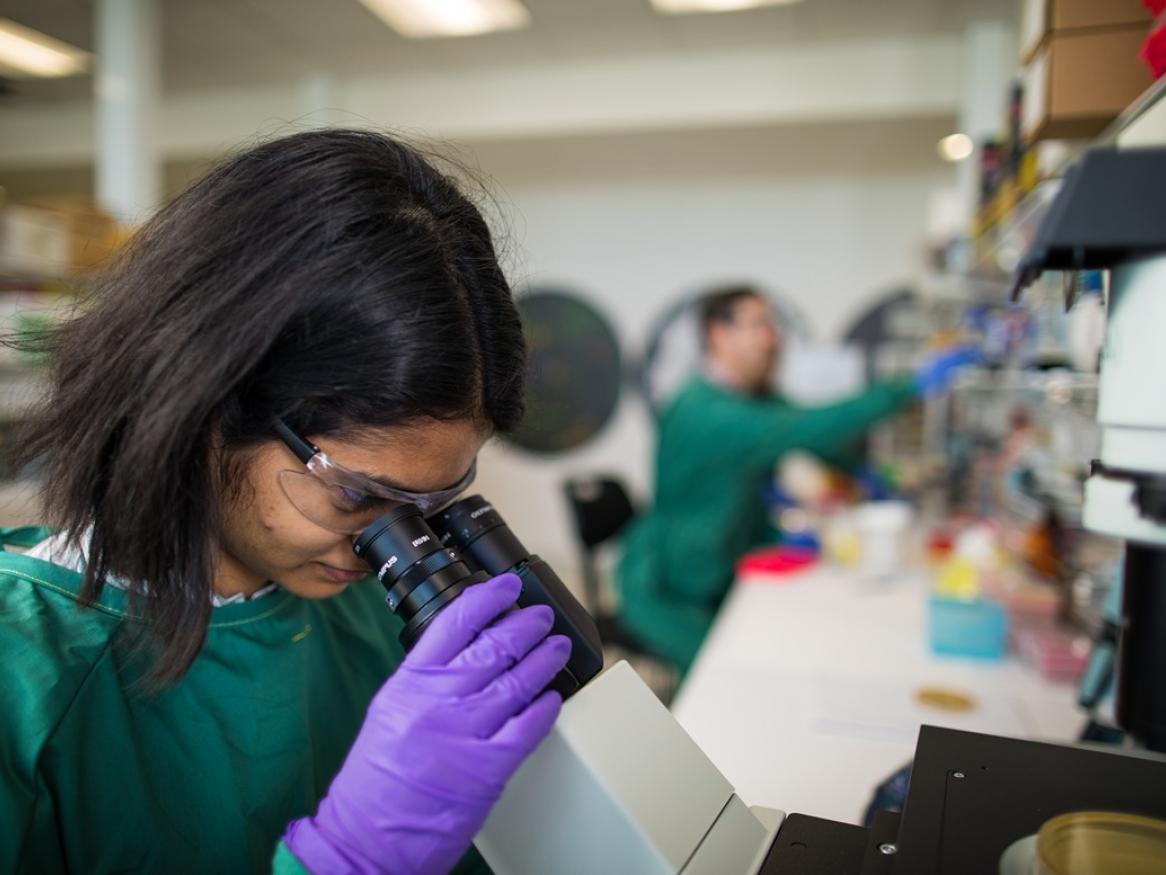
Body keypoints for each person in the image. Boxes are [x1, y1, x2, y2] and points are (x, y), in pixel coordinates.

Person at [0, 130, 571, 875]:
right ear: (204, 403)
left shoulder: (358, 609)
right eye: (358, 493)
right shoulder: (24, 673)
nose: (384, 544)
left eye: (433, 499)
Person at [617, 286, 975, 673]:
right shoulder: (704, 411)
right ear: (718, 335)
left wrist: (867, 474)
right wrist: (909, 386)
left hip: (720, 562)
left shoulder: (750, 399)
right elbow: (805, 428)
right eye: (757, 325)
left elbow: (819, 438)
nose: (772, 338)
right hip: (673, 584)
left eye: (772, 325)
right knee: (719, 682)